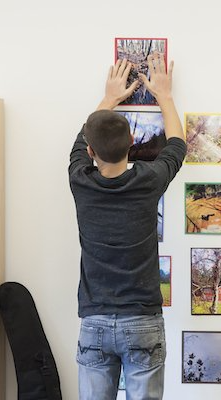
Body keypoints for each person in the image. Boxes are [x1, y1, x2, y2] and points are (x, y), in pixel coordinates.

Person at [68, 53, 186, 400]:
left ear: (90, 151)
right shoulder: (148, 181)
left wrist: (109, 97)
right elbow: (177, 146)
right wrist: (164, 95)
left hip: (95, 322)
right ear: (132, 143)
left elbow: (80, 142)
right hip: (143, 322)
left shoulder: (80, 180)